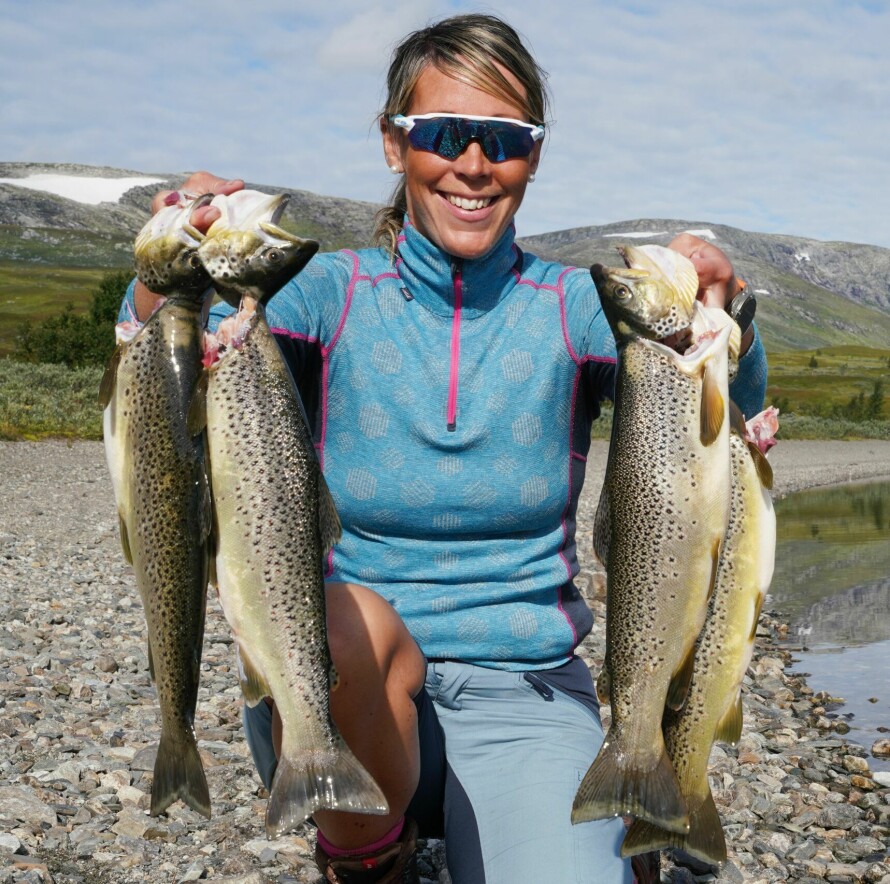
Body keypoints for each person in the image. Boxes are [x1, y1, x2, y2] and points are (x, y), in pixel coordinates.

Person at [126, 13, 767, 884]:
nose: (473, 163)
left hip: (529, 700)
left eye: (504, 139)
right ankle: (368, 859)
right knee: (347, 626)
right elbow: (162, 374)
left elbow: (719, 430)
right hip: (349, 688)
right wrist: (164, 270)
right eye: (442, 134)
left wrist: (725, 324)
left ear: (533, 156)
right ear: (395, 145)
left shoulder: (578, 306)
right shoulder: (322, 291)